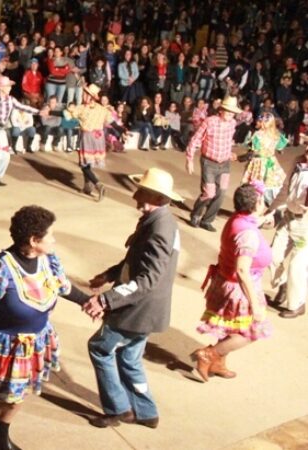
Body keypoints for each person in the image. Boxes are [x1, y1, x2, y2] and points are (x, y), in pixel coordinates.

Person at [0, 205, 89, 450]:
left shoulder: (48, 260)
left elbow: (63, 287)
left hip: (37, 342)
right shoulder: (1, 268)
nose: (54, 239)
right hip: (7, 346)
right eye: (50, 235)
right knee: (14, 398)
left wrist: (89, 301)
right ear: (34, 240)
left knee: (19, 395)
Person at [83, 167, 182, 429]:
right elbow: (137, 261)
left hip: (137, 310)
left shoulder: (159, 228)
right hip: (149, 310)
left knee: (100, 348)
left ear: (161, 198)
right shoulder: (162, 221)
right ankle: (146, 411)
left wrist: (105, 300)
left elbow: (147, 279)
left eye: (144, 194)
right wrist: (110, 274)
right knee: (129, 358)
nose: (136, 198)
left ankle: (118, 409)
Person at [193, 182, 273, 381]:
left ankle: (218, 363)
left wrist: (262, 220)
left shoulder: (238, 219)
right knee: (250, 331)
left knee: (231, 326)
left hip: (225, 280)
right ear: (255, 204)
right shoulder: (247, 235)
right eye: (262, 201)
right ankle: (209, 355)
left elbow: (250, 222)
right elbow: (242, 269)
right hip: (238, 288)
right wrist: (255, 305)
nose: (264, 203)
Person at [186, 97, 241, 232]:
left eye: (232, 112)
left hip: (224, 164)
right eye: (227, 111)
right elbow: (196, 139)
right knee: (209, 193)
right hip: (209, 162)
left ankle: (207, 220)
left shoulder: (233, 123)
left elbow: (228, 140)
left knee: (221, 192)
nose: (230, 114)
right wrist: (189, 159)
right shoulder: (210, 121)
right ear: (221, 110)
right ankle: (196, 214)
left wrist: (229, 153)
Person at [265, 145, 308, 318]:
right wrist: (271, 210)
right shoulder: (297, 162)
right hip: (288, 217)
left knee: (297, 266)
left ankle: (296, 304)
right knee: (273, 255)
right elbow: (285, 189)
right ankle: (282, 284)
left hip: (305, 225)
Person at [72, 84, 112, 201]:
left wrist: (50, 112)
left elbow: (68, 115)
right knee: (88, 163)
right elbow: (112, 122)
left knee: (83, 165)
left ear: (91, 96)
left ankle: (98, 185)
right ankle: (87, 187)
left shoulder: (82, 108)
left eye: (86, 93)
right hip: (99, 138)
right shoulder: (101, 108)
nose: (83, 95)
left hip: (87, 137)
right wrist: (123, 130)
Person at [241, 113, 288, 206]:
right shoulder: (276, 135)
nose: (256, 122)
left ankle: (254, 204)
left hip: (259, 163)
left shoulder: (258, 135)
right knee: (269, 184)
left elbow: (254, 151)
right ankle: (269, 204)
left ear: (264, 123)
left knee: (255, 185)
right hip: (271, 162)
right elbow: (280, 149)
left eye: (259, 121)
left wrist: (241, 157)